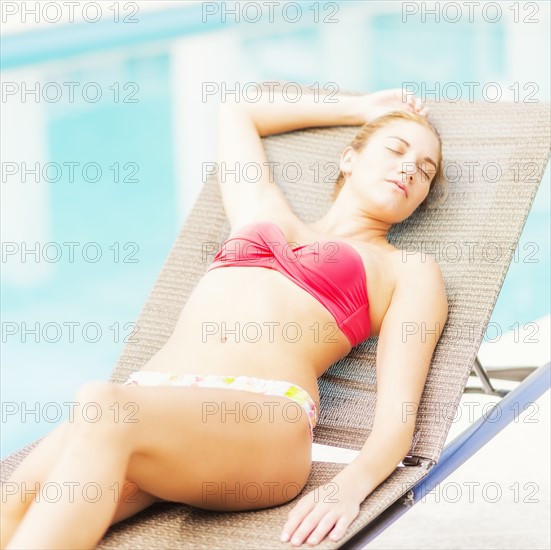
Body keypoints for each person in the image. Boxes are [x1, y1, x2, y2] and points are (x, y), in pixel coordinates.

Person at [1, 87, 448, 549]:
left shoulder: (408, 271)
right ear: (348, 158)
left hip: (263, 423)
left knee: (102, 405)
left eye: (425, 171)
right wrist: (361, 107)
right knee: (10, 509)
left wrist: (349, 486)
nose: (409, 168)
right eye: (396, 149)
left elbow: (399, 413)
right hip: (154, 409)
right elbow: (239, 109)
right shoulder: (259, 209)